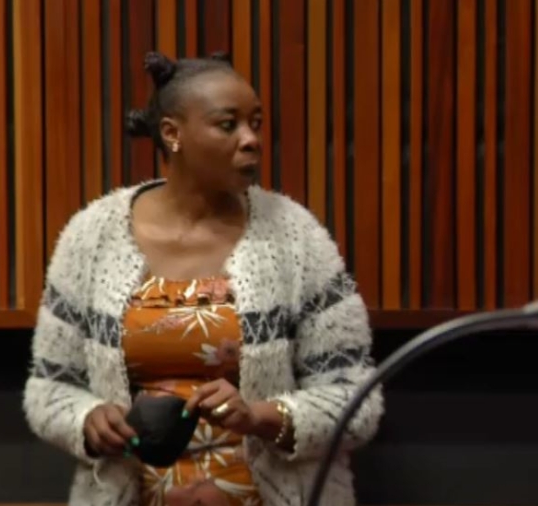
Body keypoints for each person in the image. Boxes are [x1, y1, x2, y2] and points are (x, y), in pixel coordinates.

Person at [23, 50, 384, 506]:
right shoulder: (92, 236)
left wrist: (262, 416)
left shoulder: (296, 238)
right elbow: (48, 389)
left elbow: (356, 398)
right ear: (172, 133)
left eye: (256, 123)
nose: (251, 140)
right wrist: (86, 420)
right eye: (228, 125)